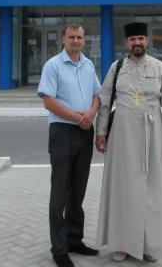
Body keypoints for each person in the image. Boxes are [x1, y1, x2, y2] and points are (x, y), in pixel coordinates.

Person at [95, 22, 162, 263]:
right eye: (133, 39)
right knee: (122, 190)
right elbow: (104, 102)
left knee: (151, 192)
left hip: (153, 137)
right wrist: (100, 133)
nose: (137, 43)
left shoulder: (160, 68)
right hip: (121, 138)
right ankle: (121, 244)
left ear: (147, 41)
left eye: (141, 38)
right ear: (126, 43)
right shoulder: (116, 68)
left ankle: (149, 246)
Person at [37, 23, 102, 267]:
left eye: (79, 37)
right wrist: (77, 117)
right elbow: (49, 101)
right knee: (60, 192)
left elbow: (97, 95)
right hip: (63, 132)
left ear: (84, 40)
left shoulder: (88, 65)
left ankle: (75, 239)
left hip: (85, 131)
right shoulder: (53, 65)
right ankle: (59, 248)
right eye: (72, 37)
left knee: (78, 189)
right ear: (63, 39)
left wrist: (91, 114)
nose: (76, 41)